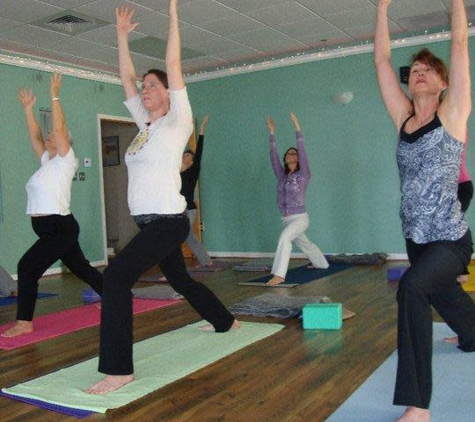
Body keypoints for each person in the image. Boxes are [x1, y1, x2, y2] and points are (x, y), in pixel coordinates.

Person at [86, 1, 238, 395]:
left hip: (169, 221)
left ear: (169, 93)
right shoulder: (145, 127)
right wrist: (121, 37)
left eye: (153, 86)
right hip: (149, 222)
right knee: (180, 279)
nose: (145, 90)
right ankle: (225, 320)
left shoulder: (176, 121)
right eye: (145, 87)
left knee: (117, 277)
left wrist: (172, 16)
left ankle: (119, 370)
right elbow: (125, 79)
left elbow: (172, 65)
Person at [374, 1, 475, 421]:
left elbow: (458, 43)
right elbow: (381, 58)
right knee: (445, 296)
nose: (419, 70)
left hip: (451, 240)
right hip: (416, 240)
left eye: (428, 69)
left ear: (443, 84)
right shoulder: (402, 117)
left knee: (413, 288)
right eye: (414, 67)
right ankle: (472, 334)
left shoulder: (453, 114)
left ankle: (418, 405)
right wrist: (382, 9)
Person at [1, 73, 103, 338]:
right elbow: (35, 135)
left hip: (60, 227)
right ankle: (116, 295)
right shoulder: (48, 161)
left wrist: (55, 96)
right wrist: (28, 109)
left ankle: (25, 322)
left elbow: (59, 128)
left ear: (65, 142)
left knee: (26, 267)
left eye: (55, 135)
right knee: (81, 268)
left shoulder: (67, 161)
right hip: (49, 228)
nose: (49, 136)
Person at [266, 112, 329, 286]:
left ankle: (279, 274)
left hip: (300, 218)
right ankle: (322, 264)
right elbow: (273, 157)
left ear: (298, 158)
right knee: (304, 243)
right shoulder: (282, 175)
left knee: (285, 239)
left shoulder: (303, 174)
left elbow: (302, 150)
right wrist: (272, 133)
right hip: (286, 218)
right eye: (288, 153)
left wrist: (297, 127)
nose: (291, 154)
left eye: (294, 153)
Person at [180, 114, 213, 268]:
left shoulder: (193, 172)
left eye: (188, 155)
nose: (186, 156)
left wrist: (201, 130)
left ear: (192, 161)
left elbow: (198, 152)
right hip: (176, 209)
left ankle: (176, 267)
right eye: (185, 154)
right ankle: (206, 260)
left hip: (189, 209)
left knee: (183, 235)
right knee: (188, 236)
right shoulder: (174, 172)